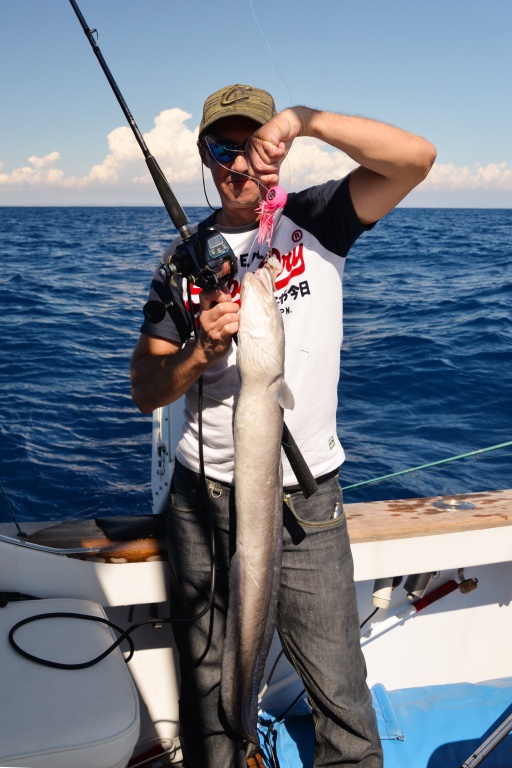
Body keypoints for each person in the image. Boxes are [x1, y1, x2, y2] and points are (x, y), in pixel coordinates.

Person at [131, 83, 436, 767]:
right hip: (201, 500)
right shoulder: (183, 266)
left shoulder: (319, 219)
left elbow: (417, 158)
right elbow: (145, 390)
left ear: (277, 149)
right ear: (206, 157)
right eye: (222, 148)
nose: (238, 163)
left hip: (307, 501)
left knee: (341, 698)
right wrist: (199, 352)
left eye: (253, 144)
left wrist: (306, 119)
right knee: (210, 692)